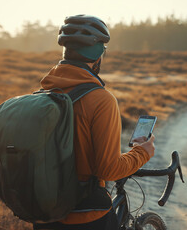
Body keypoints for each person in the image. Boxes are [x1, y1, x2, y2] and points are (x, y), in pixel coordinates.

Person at [33, 14, 155, 230]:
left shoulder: (43, 94)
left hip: (45, 214)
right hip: (86, 216)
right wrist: (142, 152)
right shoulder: (101, 100)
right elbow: (108, 170)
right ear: (98, 55)